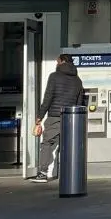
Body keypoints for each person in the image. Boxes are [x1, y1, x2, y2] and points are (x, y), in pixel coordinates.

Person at [31, 54, 84, 182]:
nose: (56, 63)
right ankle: (69, 174)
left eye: (57, 61)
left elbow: (48, 97)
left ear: (63, 61)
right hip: (71, 118)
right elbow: (79, 102)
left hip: (55, 116)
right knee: (67, 145)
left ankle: (43, 173)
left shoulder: (54, 77)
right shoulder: (78, 80)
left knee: (47, 143)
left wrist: (40, 116)